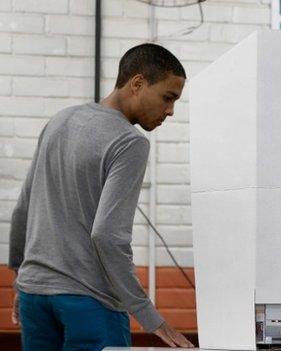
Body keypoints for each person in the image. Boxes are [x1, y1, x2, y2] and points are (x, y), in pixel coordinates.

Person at [8, 43, 194, 350]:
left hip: (33, 298)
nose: (171, 111)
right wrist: (152, 319)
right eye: (168, 97)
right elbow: (107, 236)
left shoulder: (59, 121)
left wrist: (19, 278)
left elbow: (22, 210)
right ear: (137, 84)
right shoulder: (129, 142)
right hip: (90, 303)